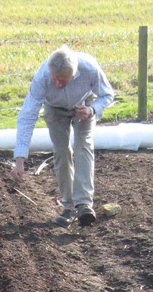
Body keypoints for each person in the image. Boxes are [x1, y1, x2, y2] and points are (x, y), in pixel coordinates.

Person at [11, 45, 115, 227]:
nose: (58, 84)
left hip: (84, 105)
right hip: (54, 108)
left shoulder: (90, 69)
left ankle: (84, 204)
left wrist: (92, 110)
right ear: (50, 71)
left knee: (83, 146)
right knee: (61, 151)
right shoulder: (42, 78)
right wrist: (20, 158)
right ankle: (68, 207)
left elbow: (107, 94)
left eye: (64, 80)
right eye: (55, 79)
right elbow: (27, 116)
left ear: (74, 74)